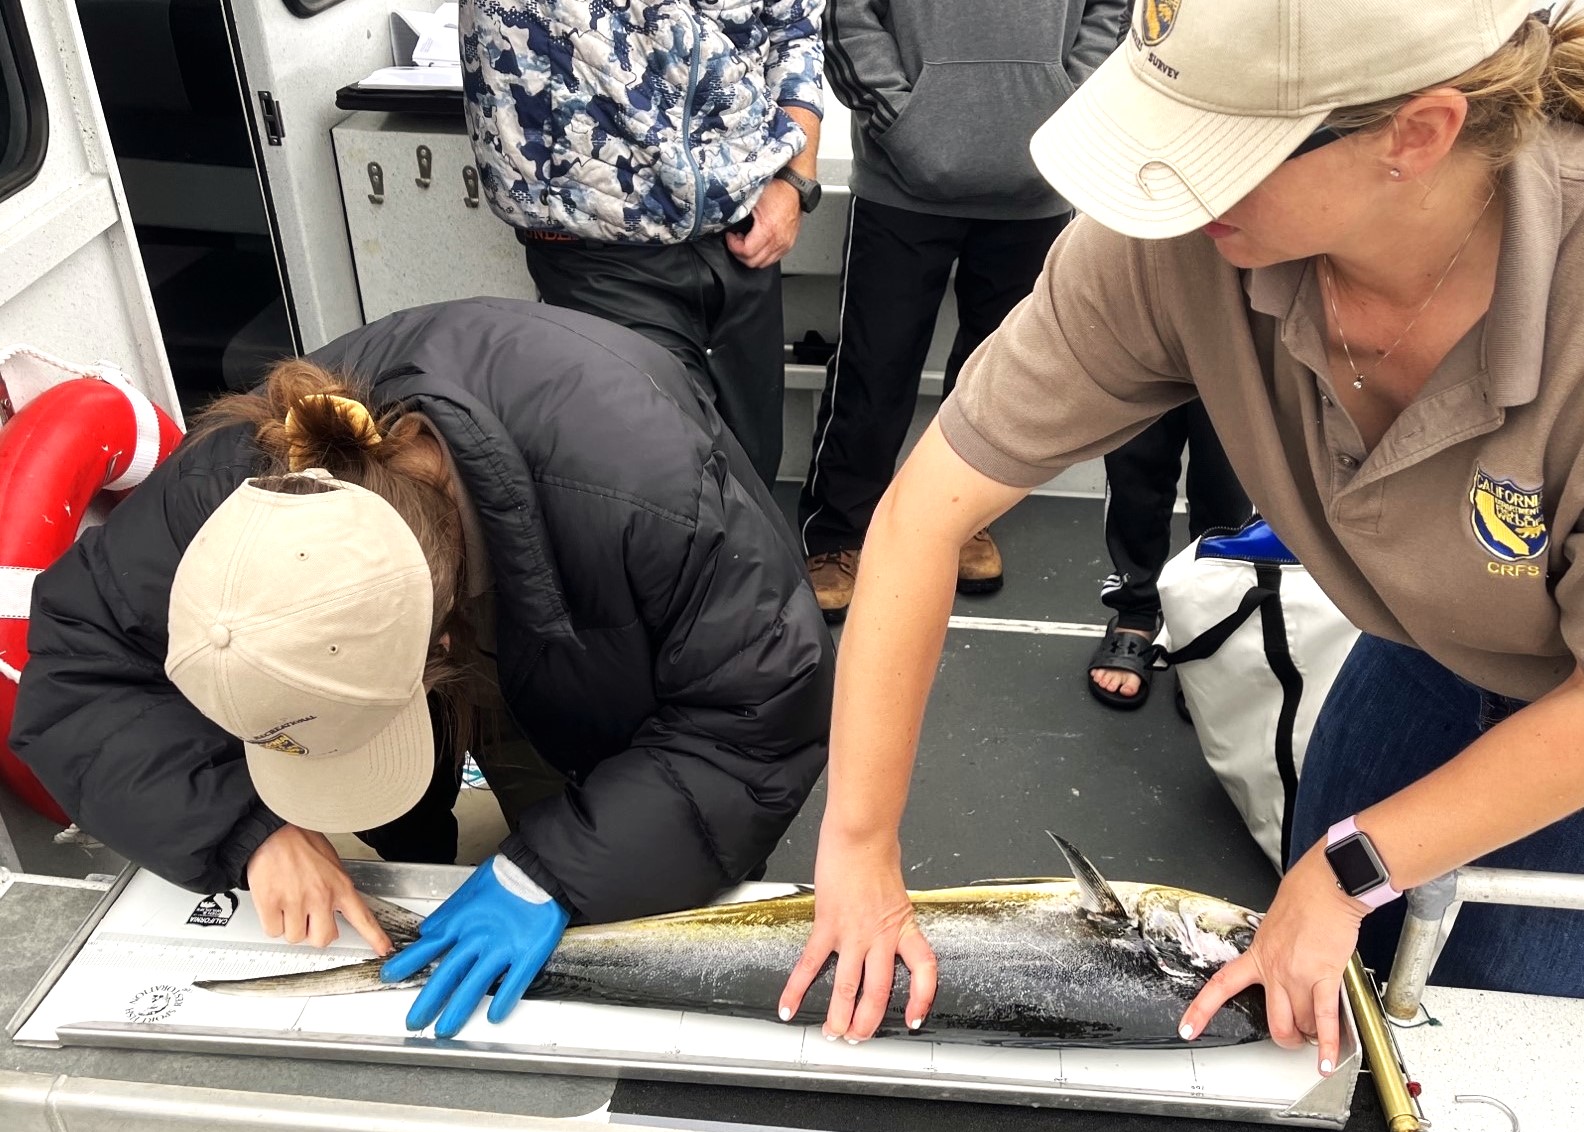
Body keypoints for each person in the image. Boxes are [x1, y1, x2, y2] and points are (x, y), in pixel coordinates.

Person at [776, 0, 1584, 1078]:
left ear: (1417, 132)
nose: (1158, 177)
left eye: (1222, 144)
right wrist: (858, 843)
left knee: (1522, 1055)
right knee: (1318, 999)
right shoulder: (1178, 232)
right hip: (1427, 639)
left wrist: (1347, 870)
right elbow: (923, 515)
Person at [12, 298, 834, 1039]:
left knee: (608, 846)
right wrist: (246, 831)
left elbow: (754, 721)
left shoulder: (655, 496)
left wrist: (557, 872)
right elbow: (79, 660)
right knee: (436, 835)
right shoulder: (229, 486)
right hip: (470, 556)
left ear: (445, 647)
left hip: (593, 603)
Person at [797, 0, 1126, 618]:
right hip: (899, 186)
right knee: (875, 367)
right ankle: (839, 533)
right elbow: (849, 18)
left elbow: (1113, 13)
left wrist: (1060, 111)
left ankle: (960, 516)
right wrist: (908, 123)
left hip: (1035, 189)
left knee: (999, 377)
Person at [461, 0, 828, 487]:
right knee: (669, 485)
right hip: (598, 251)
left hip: (745, 226)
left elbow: (794, 29)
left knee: (754, 468)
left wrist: (794, 179)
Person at [1087, 401, 1251, 709]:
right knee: (1135, 460)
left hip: (1237, 355)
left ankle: (1209, 625)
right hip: (1143, 351)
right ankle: (1136, 613)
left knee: (1226, 481)